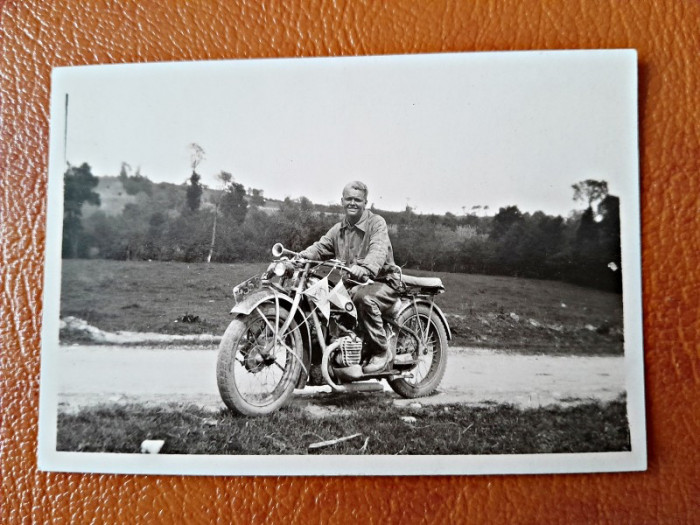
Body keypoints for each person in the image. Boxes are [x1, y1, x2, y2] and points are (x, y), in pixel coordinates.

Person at [299, 181, 400, 373]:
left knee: (364, 298)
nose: (352, 203)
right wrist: (301, 257)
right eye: (349, 199)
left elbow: (378, 249)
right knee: (322, 299)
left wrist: (366, 268)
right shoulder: (339, 229)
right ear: (342, 201)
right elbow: (321, 247)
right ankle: (333, 355)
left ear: (365, 203)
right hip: (353, 284)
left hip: (382, 282)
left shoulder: (376, 223)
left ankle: (381, 352)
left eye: (357, 200)